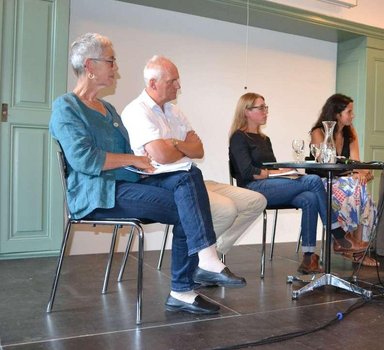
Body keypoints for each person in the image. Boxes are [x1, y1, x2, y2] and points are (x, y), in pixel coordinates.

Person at [50, 33, 246, 316]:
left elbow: (140, 155)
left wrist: (146, 161)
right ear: (90, 66)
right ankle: (184, 286)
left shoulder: (107, 108)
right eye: (111, 61)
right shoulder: (66, 107)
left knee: (188, 175)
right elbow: (85, 159)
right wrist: (136, 159)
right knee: (184, 209)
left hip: (126, 183)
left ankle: (202, 264)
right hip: (97, 193)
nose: (116, 68)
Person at [121, 55, 266, 255]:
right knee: (226, 210)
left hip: (191, 176)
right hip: (165, 182)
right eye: (172, 81)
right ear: (153, 83)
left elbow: (198, 150)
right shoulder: (137, 111)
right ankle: (203, 260)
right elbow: (161, 155)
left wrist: (174, 143)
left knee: (256, 201)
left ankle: (209, 256)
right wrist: (182, 146)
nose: (178, 86)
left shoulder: (174, 111)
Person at [228, 92, 368, 274]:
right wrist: (274, 173)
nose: (265, 111)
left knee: (309, 197)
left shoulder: (264, 140)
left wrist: (285, 172)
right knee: (313, 180)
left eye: (266, 107)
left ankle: (309, 257)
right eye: (261, 107)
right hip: (252, 189)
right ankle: (339, 236)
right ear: (246, 111)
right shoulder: (239, 137)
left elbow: (272, 167)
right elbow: (248, 172)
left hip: (270, 186)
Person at [309, 93, 379, 267]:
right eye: (349, 112)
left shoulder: (350, 132)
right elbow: (326, 164)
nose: (353, 115)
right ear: (336, 113)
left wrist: (362, 173)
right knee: (356, 189)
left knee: (362, 193)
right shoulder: (318, 132)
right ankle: (346, 243)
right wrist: (355, 173)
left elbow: (356, 162)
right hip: (324, 183)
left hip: (346, 182)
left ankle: (350, 246)